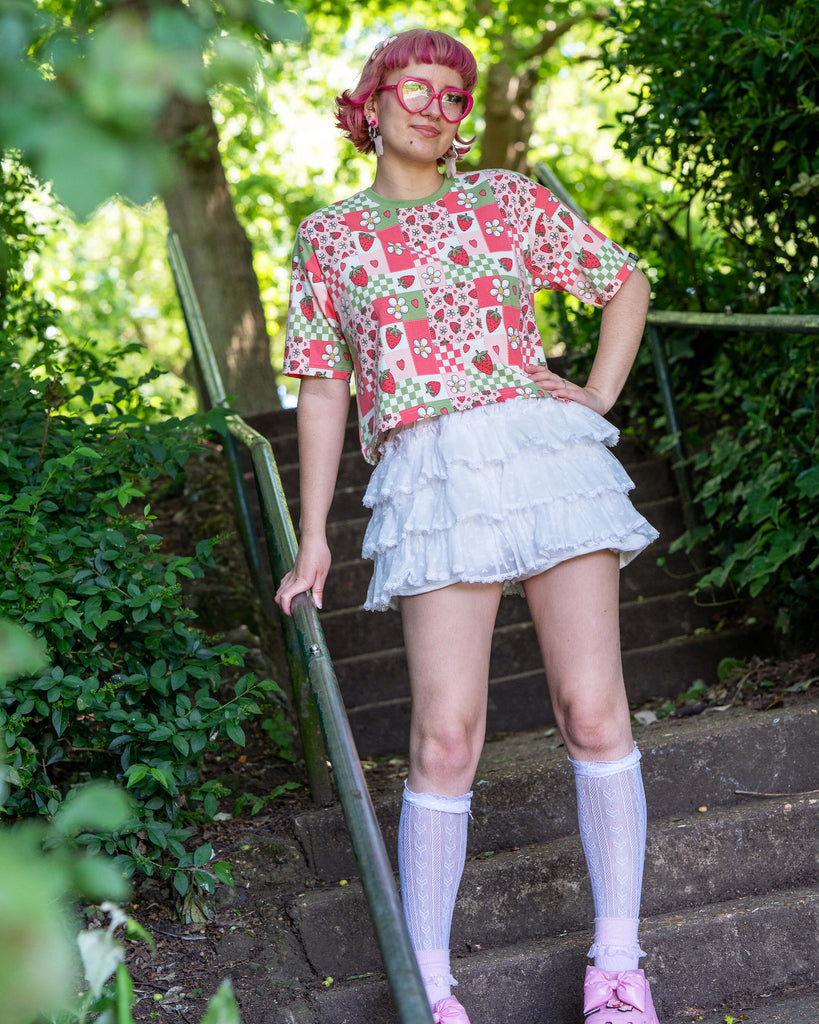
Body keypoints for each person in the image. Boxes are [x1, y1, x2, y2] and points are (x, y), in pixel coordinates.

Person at [275, 28, 661, 1024]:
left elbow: (623, 279)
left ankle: (618, 972)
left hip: (544, 459)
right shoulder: (329, 239)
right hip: (432, 473)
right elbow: (322, 388)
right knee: (446, 734)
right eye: (418, 88)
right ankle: (433, 988)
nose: (438, 108)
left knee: (593, 708)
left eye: (455, 96)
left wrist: (596, 399)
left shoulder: (506, 198)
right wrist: (314, 532)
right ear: (373, 102)